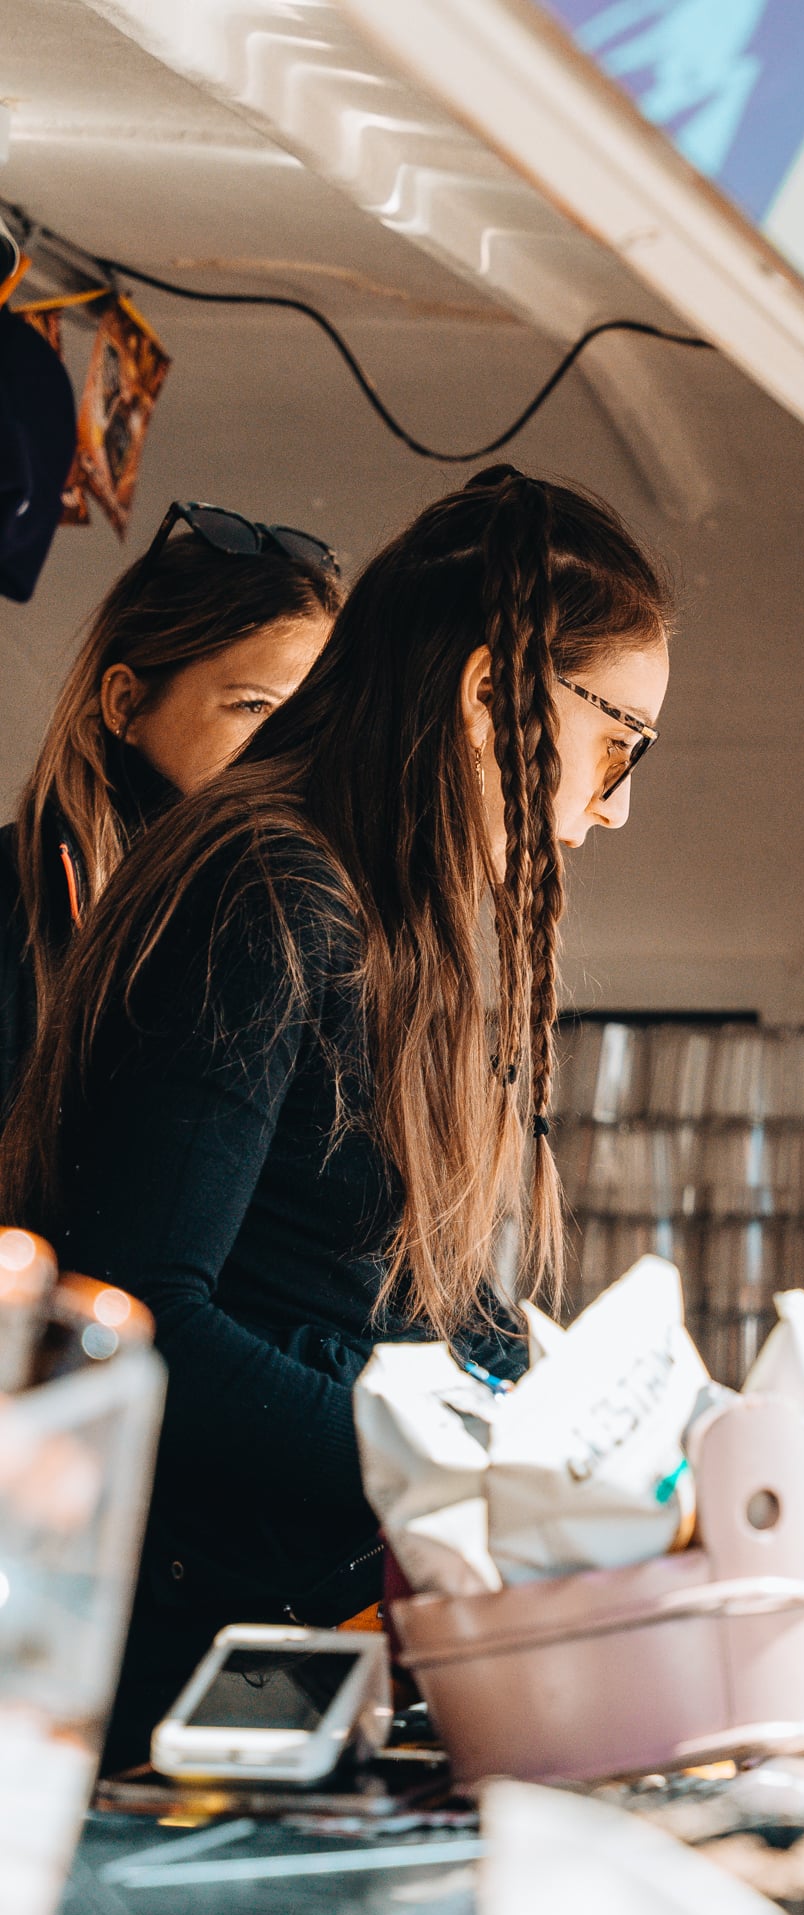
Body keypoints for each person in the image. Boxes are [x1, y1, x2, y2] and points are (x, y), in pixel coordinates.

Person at [0, 465, 671, 1763]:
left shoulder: (378, 911)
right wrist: (461, 1462)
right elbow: (141, 1323)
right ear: (490, 699)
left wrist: (560, 1418)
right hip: (182, 1664)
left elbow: (379, 1285)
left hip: (293, 1637)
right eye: (619, 742)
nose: (617, 801)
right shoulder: (267, 889)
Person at [0, 501, 342, 1109]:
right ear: (126, 703)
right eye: (255, 706)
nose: (292, 748)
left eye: (312, 720)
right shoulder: (15, 894)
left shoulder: (288, 923)